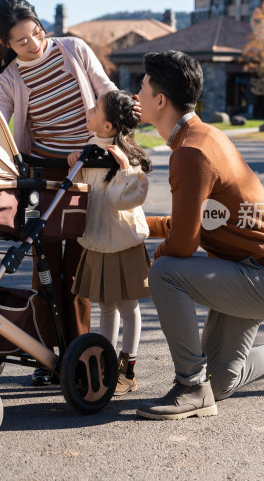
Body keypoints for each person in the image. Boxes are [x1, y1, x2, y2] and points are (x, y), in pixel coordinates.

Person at [135, 50, 264, 420]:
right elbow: (195, 222)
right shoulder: (200, 137)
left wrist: (150, 258)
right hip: (248, 271)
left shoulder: (192, 151)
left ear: (160, 100)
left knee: (164, 272)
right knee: (220, 383)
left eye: (142, 87)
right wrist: (139, 226)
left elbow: (182, 244)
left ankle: (190, 385)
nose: (136, 96)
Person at [0, 0, 117, 385]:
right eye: (22, 41)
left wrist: (116, 127)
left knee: (76, 268)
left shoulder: (74, 49)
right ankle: (46, 355)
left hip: (86, 170)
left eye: (37, 32)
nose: (34, 44)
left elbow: (107, 93)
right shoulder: (10, 79)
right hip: (39, 177)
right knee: (43, 267)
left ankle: (78, 359)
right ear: (5, 44)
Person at [67, 90, 152, 396]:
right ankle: (104, 364)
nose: (89, 109)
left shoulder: (128, 158)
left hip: (124, 242)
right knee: (105, 306)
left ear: (108, 127)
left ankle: (127, 370)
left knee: (128, 306)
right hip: (99, 240)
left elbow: (120, 201)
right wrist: (74, 163)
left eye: (96, 107)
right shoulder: (90, 148)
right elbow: (81, 194)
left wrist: (124, 169)